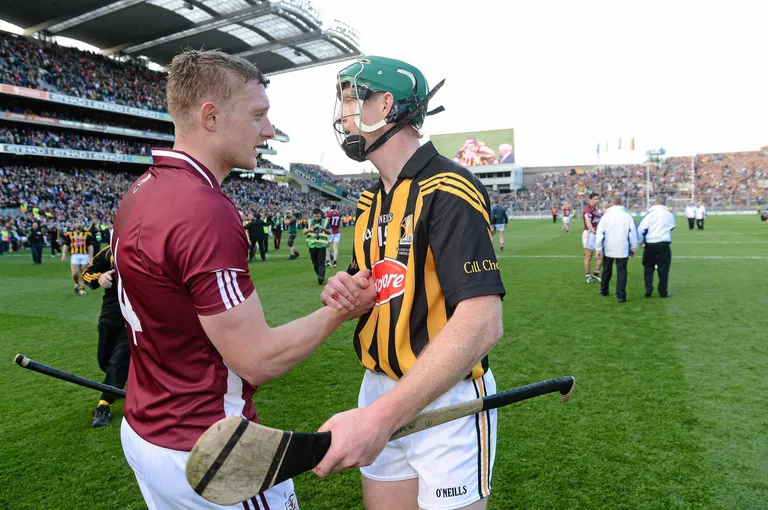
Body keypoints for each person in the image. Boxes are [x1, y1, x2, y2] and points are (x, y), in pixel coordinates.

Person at [111, 49, 375, 510]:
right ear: (211, 117)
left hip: (146, 433)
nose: (269, 131)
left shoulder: (140, 190)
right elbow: (258, 360)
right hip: (209, 447)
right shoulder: (203, 209)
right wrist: (343, 310)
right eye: (258, 115)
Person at [321, 55, 505, 510]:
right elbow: (379, 284)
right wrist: (347, 290)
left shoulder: (448, 188)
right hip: (377, 384)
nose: (343, 112)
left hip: (443, 397)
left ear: (385, 104)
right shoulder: (370, 199)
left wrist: (381, 419)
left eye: (350, 98)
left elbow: (483, 324)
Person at [82, 244, 130, 427]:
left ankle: (103, 405)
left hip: (134, 317)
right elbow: (88, 272)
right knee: (104, 360)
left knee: (117, 362)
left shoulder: (151, 246)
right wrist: (99, 276)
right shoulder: (110, 250)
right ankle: (122, 383)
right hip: (110, 315)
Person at [595, 194, 638, 303]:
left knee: (606, 270)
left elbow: (599, 233)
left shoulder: (606, 216)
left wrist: (598, 249)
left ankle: (604, 290)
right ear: (621, 203)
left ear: (611, 203)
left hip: (608, 247)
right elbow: (633, 234)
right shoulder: (627, 216)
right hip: (622, 247)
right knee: (622, 272)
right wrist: (633, 248)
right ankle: (621, 296)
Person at [637, 195, 675, 298]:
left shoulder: (650, 214)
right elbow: (672, 227)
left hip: (651, 244)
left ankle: (648, 288)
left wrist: (641, 242)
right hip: (664, 243)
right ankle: (663, 292)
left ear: (656, 202)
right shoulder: (669, 214)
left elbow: (640, 229)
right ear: (665, 202)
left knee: (648, 267)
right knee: (664, 268)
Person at [61, 221, 94, 295]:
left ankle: (82, 290)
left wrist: (91, 257)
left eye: (80, 222)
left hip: (85, 255)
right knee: (75, 274)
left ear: (82, 224)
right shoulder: (70, 234)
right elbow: (66, 245)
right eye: (76, 222)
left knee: (84, 273)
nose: (78, 224)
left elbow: (90, 246)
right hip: (74, 255)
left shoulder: (87, 234)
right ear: (74, 224)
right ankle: (76, 283)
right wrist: (63, 255)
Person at [304, 207, 331, 284]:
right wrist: (310, 230)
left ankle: (321, 277)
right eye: (315, 216)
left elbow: (330, 231)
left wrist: (323, 229)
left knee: (321, 262)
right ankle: (319, 274)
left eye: (318, 216)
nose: (316, 218)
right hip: (312, 245)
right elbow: (304, 231)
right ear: (312, 215)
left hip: (321, 245)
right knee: (314, 263)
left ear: (321, 215)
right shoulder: (309, 222)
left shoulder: (325, 222)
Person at [582, 192, 602, 283]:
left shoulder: (595, 209)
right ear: (590, 199)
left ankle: (596, 273)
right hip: (590, 234)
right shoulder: (588, 209)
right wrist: (593, 230)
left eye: (598, 199)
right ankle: (588, 276)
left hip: (596, 234)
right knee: (588, 256)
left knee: (601, 254)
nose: (597, 201)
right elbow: (588, 222)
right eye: (595, 199)